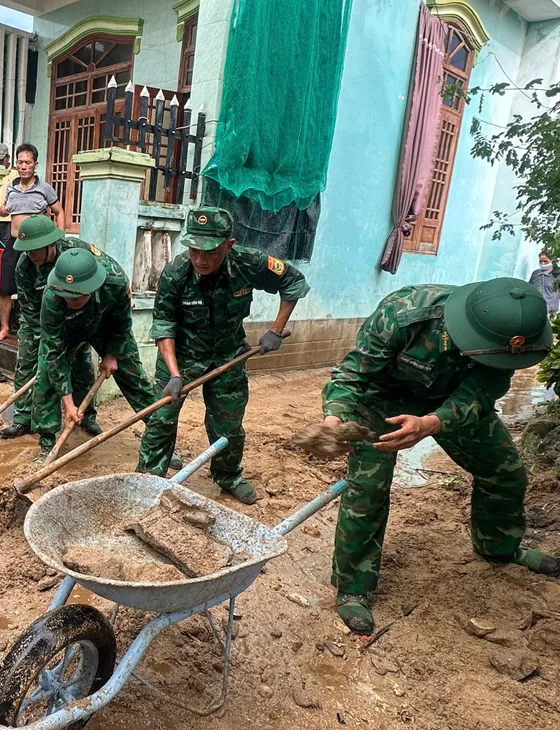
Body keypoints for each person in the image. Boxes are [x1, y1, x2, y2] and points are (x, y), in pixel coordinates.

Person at [321, 278, 557, 635]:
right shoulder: (404, 314)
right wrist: (334, 418)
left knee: (506, 472)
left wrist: (433, 422)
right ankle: (352, 587)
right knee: (367, 491)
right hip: (382, 402)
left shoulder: (508, 336)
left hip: (453, 404)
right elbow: (354, 373)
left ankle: (499, 546)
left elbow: (484, 389)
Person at [136, 207, 310, 504]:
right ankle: (146, 480)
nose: (200, 260)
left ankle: (228, 476)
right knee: (161, 418)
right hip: (182, 355)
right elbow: (164, 326)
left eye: (210, 252)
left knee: (228, 423)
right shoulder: (176, 273)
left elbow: (293, 281)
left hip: (229, 353)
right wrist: (175, 374)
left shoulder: (249, 263)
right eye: (194, 251)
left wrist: (276, 330)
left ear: (229, 245)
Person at [35, 243, 155, 462]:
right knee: (46, 374)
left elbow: (122, 323)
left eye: (77, 296)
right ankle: (46, 444)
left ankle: (159, 439)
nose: (71, 300)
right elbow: (53, 352)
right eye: (67, 296)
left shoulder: (115, 281)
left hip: (106, 325)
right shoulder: (52, 295)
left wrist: (112, 354)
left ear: (92, 287)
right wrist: (68, 404)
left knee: (134, 378)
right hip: (69, 327)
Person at [0, 215, 101, 448]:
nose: (30, 254)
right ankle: (23, 419)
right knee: (27, 363)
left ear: (49, 244)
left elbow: (96, 278)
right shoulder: (24, 266)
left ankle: (87, 416)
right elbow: (28, 307)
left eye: (34, 249)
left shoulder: (74, 253)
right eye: (26, 250)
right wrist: (43, 336)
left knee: (81, 366)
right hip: (38, 319)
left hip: (76, 317)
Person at [0, 142, 20, 343]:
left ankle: (19, 322)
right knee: (3, 271)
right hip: (1, 221)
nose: (0, 163)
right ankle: (5, 326)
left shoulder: (16, 176)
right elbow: (5, 205)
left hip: (14, 225)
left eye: (2, 160)